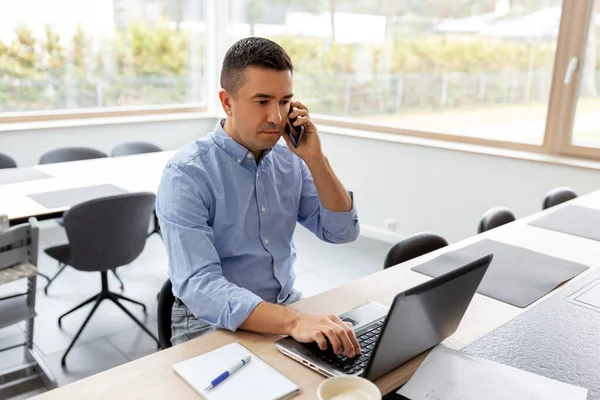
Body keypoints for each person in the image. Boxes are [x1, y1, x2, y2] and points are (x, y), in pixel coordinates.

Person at [156, 37, 361, 358]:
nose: (277, 117)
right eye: (262, 101)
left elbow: (341, 232)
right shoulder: (186, 173)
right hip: (209, 321)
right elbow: (199, 285)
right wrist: (292, 322)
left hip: (283, 307)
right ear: (227, 102)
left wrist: (316, 158)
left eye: (284, 101)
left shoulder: (290, 160)